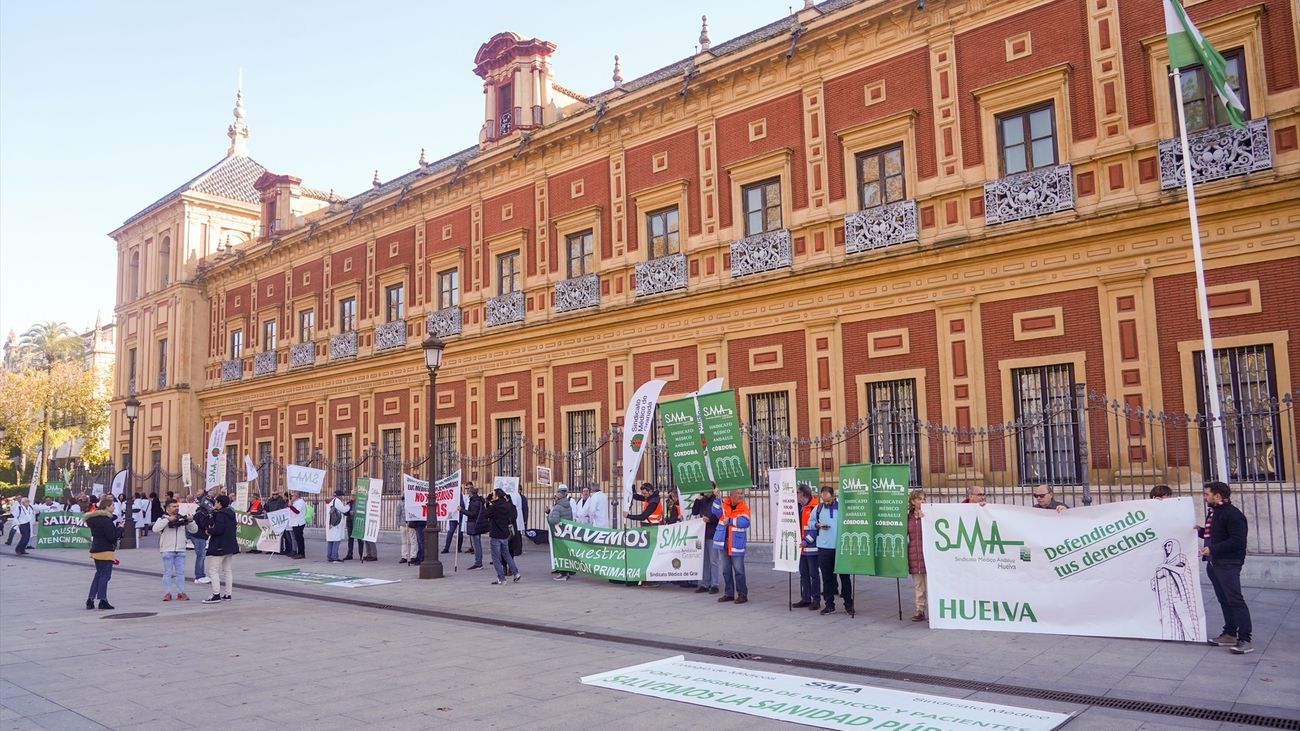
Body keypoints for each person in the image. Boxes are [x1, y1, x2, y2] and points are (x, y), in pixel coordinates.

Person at [1200, 481, 1252, 654]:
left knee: (1235, 600)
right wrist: (1198, 530)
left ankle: (1245, 638)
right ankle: (1229, 633)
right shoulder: (1215, 512)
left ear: (1218, 496)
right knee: (1224, 600)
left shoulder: (1233, 514)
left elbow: (1237, 541)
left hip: (1228, 563)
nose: (1204, 497)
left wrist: (1212, 549)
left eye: (1207, 494)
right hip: (1214, 563)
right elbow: (1214, 534)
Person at [808, 485, 854, 618]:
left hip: (840, 547)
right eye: (824, 500)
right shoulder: (818, 508)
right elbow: (810, 522)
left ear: (834, 497)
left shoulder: (842, 508)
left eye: (828, 500)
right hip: (824, 547)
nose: (826, 502)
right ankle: (829, 605)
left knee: (845, 578)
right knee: (827, 578)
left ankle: (848, 604)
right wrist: (817, 525)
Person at [712, 488, 751, 604]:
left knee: (739, 570)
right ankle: (729, 594)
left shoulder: (743, 507)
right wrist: (717, 498)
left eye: (741, 493)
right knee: (726, 570)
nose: (740, 495)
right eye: (738, 493)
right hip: (723, 543)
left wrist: (729, 520)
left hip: (736, 544)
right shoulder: (724, 504)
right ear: (731, 494)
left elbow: (745, 522)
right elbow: (715, 511)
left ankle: (742, 594)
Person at [153, 498, 196, 601]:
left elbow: (194, 530)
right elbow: (155, 529)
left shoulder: (181, 518)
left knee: (180, 573)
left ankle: (181, 593)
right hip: (167, 549)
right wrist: (167, 520)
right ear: (167, 508)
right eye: (174, 506)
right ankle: (167, 593)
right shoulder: (162, 518)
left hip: (181, 549)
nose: (176, 508)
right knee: (168, 572)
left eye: (177, 506)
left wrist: (190, 521)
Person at [84, 496, 120, 610]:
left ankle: (90, 599)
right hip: (106, 550)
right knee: (105, 575)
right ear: (107, 507)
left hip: (96, 549)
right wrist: (120, 529)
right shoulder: (106, 520)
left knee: (99, 574)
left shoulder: (93, 519)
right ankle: (103, 600)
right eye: (112, 505)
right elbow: (112, 536)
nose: (114, 508)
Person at [202, 494, 238, 603]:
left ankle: (216, 594)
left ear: (219, 503)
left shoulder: (221, 514)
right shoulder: (231, 513)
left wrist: (209, 531)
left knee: (213, 570)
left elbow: (219, 529)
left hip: (220, 545)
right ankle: (228, 593)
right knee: (227, 570)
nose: (214, 504)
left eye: (216, 502)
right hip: (230, 545)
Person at [791, 484, 821, 610]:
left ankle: (816, 600)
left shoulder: (816, 507)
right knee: (803, 573)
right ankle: (806, 598)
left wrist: (807, 540)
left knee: (814, 574)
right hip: (802, 547)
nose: (795, 495)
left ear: (804, 494)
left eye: (797, 492)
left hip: (812, 547)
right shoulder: (799, 507)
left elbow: (816, 527)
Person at [486, 488, 522, 584]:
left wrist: (488, 500)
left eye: (493, 494)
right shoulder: (507, 506)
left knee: (495, 557)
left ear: (497, 496)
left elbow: (486, 514)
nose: (492, 496)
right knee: (507, 554)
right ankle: (516, 572)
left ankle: (501, 578)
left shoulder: (494, 507)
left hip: (496, 534)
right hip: (505, 533)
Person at [692, 487, 721, 595]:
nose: (706, 492)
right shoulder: (702, 500)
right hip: (702, 534)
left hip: (713, 533)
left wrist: (710, 520)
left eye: (708, 489)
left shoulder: (716, 500)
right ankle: (705, 583)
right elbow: (694, 511)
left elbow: (719, 514)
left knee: (713, 560)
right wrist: (698, 499)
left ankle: (714, 584)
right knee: (704, 560)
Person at [907, 489, 928, 622]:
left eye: (924, 499)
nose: (923, 501)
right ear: (913, 501)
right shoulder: (908, 517)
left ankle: (934, 611)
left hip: (927, 554)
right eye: (920, 499)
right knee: (918, 586)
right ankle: (920, 610)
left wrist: (925, 517)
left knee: (930, 585)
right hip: (914, 553)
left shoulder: (929, 514)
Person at [546, 486, 574, 580]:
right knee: (566, 552)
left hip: (559, 533)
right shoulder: (568, 505)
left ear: (558, 497)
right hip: (567, 531)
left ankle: (563, 574)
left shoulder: (558, 507)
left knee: (560, 552)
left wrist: (549, 515)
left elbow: (554, 520)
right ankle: (567, 572)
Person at [462, 485, 487, 570]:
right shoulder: (478, 500)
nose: (467, 493)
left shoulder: (474, 502)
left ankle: (478, 563)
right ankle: (478, 562)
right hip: (478, 524)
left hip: (475, 524)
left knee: (476, 544)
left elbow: (472, 514)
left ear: (471, 493)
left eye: (468, 492)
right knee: (477, 543)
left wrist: (462, 510)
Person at [325, 489, 350, 563]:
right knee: (336, 540)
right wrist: (348, 505)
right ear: (340, 496)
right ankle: (335, 557)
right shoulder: (337, 501)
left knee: (330, 540)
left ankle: (329, 556)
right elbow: (344, 510)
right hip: (336, 523)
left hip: (330, 523)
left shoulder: (329, 500)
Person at [192, 493, 212, 585]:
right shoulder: (202, 514)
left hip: (199, 536)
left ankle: (200, 574)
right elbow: (204, 525)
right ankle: (199, 576)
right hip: (199, 536)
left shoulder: (201, 512)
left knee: (201, 556)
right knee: (201, 556)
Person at [288, 491, 308, 559]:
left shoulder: (300, 502)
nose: (291, 497)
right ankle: (298, 552)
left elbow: (297, 511)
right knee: (297, 538)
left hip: (299, 522)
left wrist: (291, 506)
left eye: (293, 495)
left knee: (299, 538)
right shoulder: (295, 502)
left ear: (296, 496)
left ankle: (301, 553)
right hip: (295, 522)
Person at [399, 498, 416, 565]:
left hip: (411, 524)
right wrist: (399, 524)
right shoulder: (401, 503)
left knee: (413, 541)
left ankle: (412, 556)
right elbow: (398, 514)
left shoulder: (412, 503)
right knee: (404, 542)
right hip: (403, 524)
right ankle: (404, 556)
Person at [343, 494, 358, 560]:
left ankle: (361, 554)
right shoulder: (349, 503)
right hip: (350, 523)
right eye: (351, 495)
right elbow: (344, 512)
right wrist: (349, 513)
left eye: (354, 495)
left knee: (359, 539)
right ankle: (349, 554)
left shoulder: (360, 503)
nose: (352, 496)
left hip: (357, 522)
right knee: (350, 539)